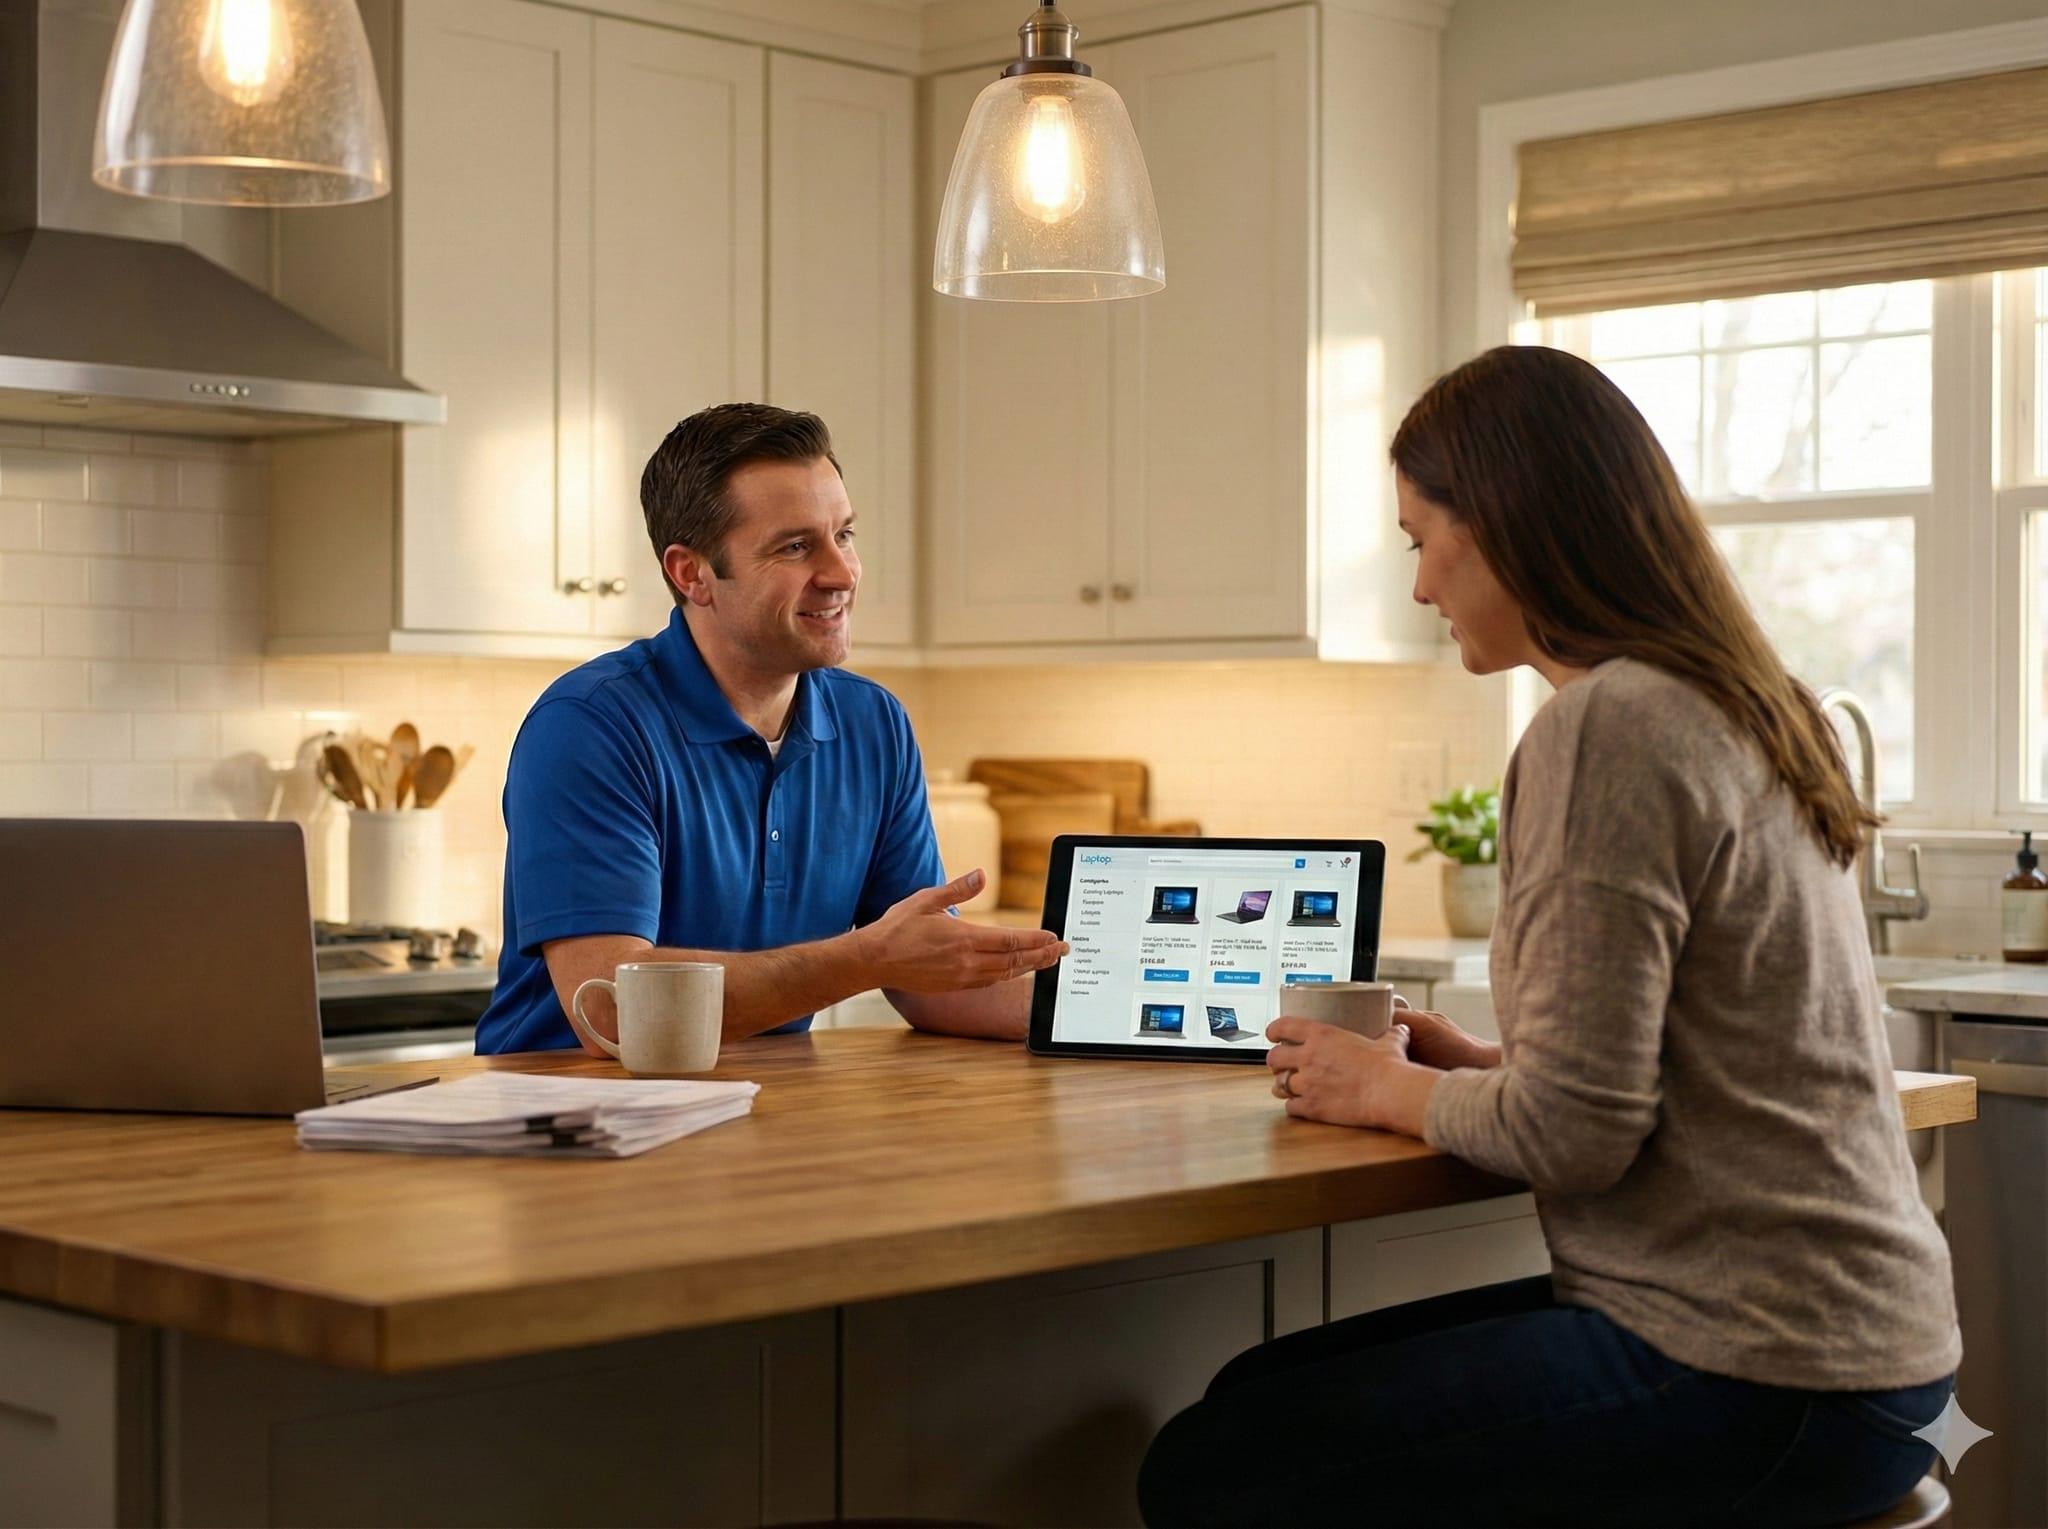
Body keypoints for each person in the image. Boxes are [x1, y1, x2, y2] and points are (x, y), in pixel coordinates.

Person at [1137, 347, 1960, 1527]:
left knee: (1212, 1463)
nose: (1418, 584)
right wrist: (1475, 1068)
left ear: (1506, 524)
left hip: (1769, 1367)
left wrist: (1380, 1088)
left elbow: (1573, 1135)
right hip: (1865, 1351)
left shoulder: (1608, 724)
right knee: (1253, 1393)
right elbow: (1681, 1072)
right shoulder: (1739, 695)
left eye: (1421, 538)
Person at [474, 403, 1064, 1055]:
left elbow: (930, 981)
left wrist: (1133, 1014)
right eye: (795, 545)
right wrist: (866, 958)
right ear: (691, 572)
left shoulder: (874, 724)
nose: (841, 573)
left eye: (844, 534)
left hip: (763, 1120)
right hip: (569, 1126)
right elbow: (614, 1009)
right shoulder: (592, 726)